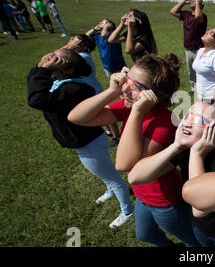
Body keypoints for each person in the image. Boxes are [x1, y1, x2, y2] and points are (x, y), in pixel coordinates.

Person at [68, 53, 201, 247]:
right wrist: (111, 91)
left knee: (190, 240)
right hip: (141, 196)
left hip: (164, 201)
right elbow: (77, 118)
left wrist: (137, 111)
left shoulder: (164, 122)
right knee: (145, 235)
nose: (125, 88)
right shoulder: (129, 105)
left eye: (135, 86)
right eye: (126, 79)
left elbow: (124, 164)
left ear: (154, 96)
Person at [27, 48, 134, 229]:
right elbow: (36, 86)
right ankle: (109, 190)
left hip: (89, 142)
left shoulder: (74, 88)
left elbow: (36, 99)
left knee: (113, 177)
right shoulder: (64, 82)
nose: (50, 58)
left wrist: (44, 70)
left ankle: (128, 211)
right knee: (103, 173)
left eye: (56, 58)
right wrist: (40, 68)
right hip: (83, 140)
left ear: (68, 69)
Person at [127, 101, 215, 247]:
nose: (187, 123)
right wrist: (176, 146)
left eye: (198, 121)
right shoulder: (186, 149)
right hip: (197, 227)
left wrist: (197, 154)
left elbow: (199, 208)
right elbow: (134, 177)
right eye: (188, 116)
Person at [86, 19, 126, 145]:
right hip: (107, 67)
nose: (102, 23)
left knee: (125, 89)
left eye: (105, 22)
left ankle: (127, 106)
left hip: (119, 66)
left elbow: (105, 34)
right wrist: (95, 28)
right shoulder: (97, 36)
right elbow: (85, 38)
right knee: (116, 88)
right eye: (102, 22)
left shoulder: (112, 34)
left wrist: (106, 27)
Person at [170, 0, 208, 93]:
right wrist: (183, 2)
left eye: (195, 1)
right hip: (188, 48)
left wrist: (198, 3)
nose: (193, 2)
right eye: (193, 1)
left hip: (199, 49)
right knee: (190, 70)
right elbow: (172, 12)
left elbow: (198, 16)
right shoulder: (186, 14)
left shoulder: (203, 16)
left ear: (200, 5)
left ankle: (202, 87)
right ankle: (193, 88)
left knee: (199, 70)